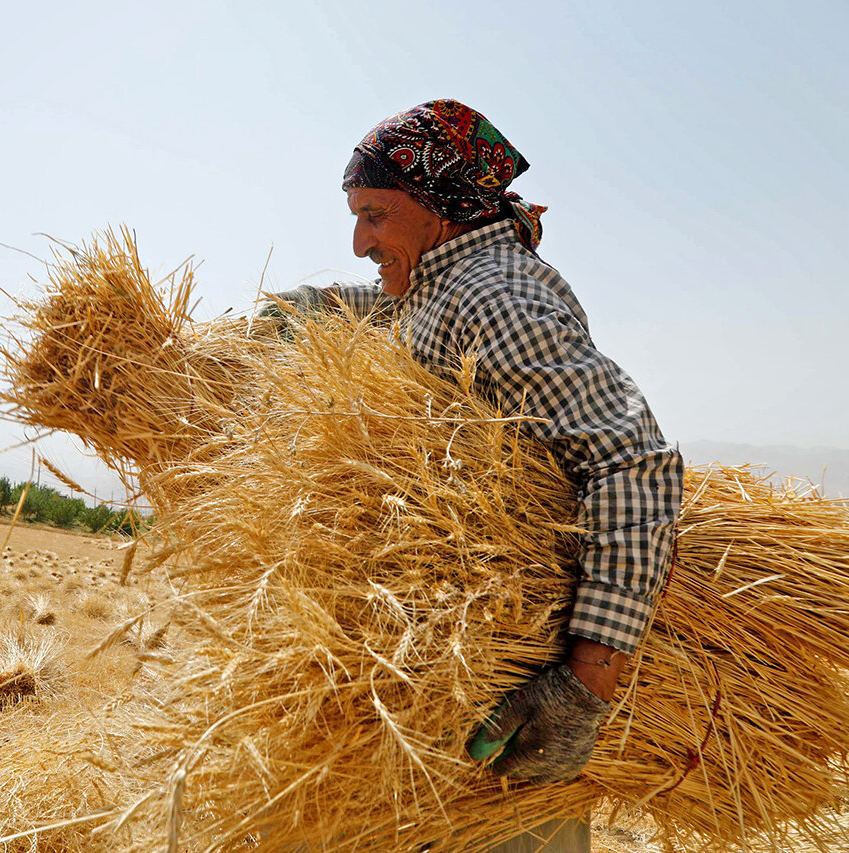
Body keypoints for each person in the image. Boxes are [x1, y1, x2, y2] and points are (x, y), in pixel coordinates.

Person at [262, 100, 684, 853]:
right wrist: (310, 310)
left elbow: (631, 461)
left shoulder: (495, 295)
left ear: (438, 206)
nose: (359, 241)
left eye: (374, 215)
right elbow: (400, 316)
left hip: (515, 702)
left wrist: (584, 684)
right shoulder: (442, 285)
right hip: (455, 698)